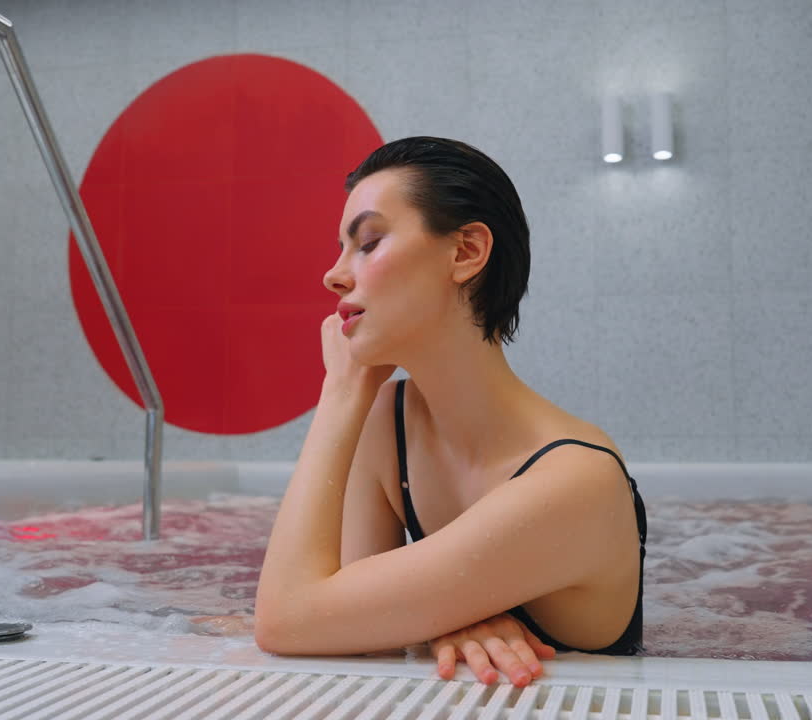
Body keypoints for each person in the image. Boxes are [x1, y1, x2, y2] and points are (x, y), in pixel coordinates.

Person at [250, 137, 647, 687]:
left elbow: (287, 619)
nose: (334, 275)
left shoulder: (577, 480)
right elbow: (340, 633)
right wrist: (441, 618)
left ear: (465, 253)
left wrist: (339, 393)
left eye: (368, 242)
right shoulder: (387, 425)